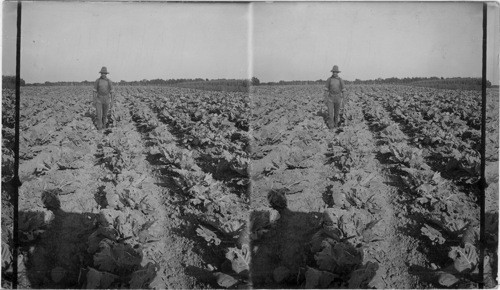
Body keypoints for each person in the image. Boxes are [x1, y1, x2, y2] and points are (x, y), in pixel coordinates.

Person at [92, 67, 114, 131]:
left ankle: (104, 126)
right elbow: (94, 91)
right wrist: (94, 100)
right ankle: (99, 128)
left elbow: (112, 92)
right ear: (100, 73)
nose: (103, 74)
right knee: (99, 115)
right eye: (102, 73)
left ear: (106, 74)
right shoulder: (97, 81)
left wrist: (112, 101)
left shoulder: (109, 81)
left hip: (106, 99)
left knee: (104, 115)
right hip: (99, 99)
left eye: (104, 73)